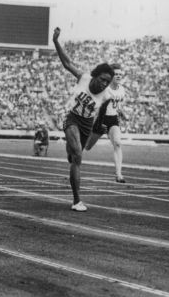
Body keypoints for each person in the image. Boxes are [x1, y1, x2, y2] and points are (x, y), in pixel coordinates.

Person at [53, 27, 114, 211]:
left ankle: (71, 151)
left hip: (87, 124)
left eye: (107, 82)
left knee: (75, 156)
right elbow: (67, 63)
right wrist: (56, 41)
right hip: (72, 118)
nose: (103, 84)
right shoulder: (84, 78)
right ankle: (76, 200)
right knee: (78, 156)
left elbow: (100, 118)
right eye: (102, 79)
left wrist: (98, 131)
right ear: (95, 76)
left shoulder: (107, 96)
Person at [83, 63, 128, 183]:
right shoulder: (104, 88)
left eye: (120, 74)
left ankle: (119, 174)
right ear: (111, 76)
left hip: (113, 119)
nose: (118, 76)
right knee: (87, 147)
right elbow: (95, 106)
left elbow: (117, 106)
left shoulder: (122, 89)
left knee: (118, 143)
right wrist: (95, 122)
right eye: (116, 74)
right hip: (100, 120)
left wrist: (122, 114)